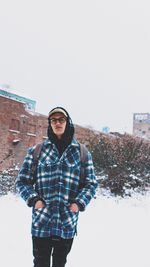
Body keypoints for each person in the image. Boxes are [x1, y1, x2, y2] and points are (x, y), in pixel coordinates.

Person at [16, 107, 98, 267]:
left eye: (61, 119)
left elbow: (91, 184)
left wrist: (79, 203)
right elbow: (22, 181)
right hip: (42, 221)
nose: (57, 123)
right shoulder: (36, 151)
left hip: (66, 221)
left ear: (68, 122)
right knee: (40, 263)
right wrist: (34, 199)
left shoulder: (82, 152)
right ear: (49, 124)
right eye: (53, 120)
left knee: (60, 263)